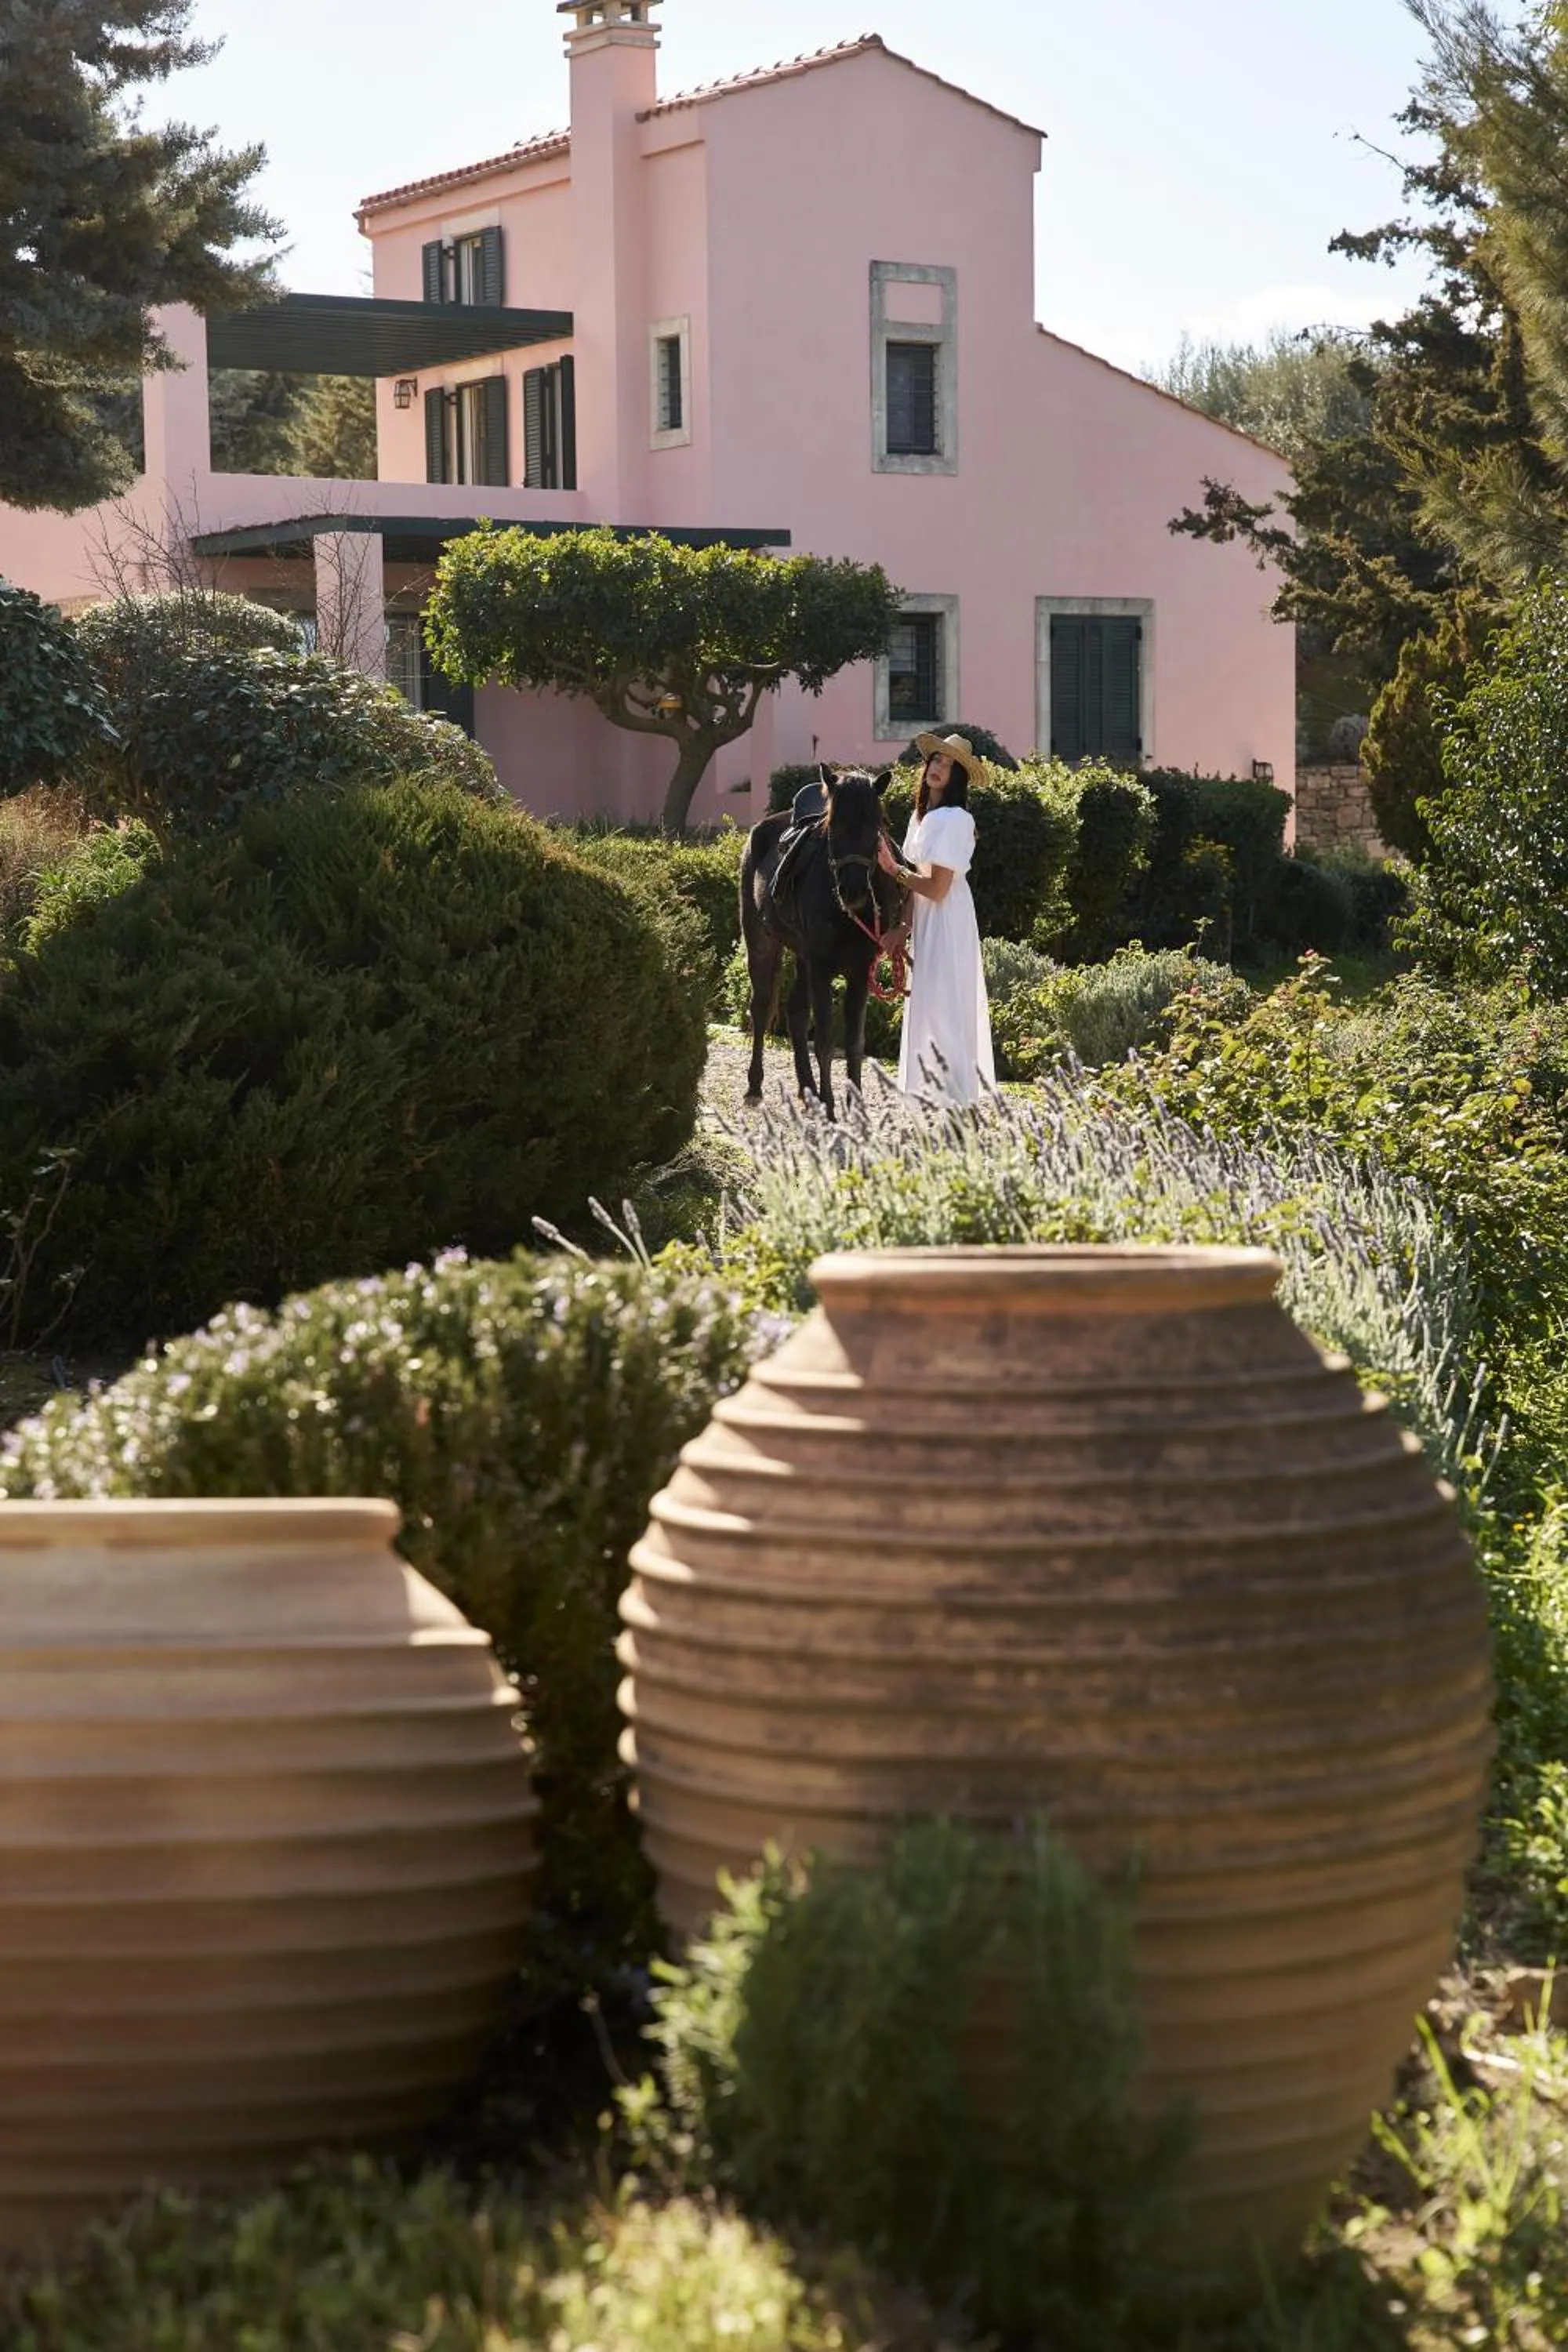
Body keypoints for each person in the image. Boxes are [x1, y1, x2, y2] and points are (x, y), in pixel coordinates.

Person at [877, 731, 995, 1105]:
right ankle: (932, 1093)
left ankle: (956, 1097)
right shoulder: (922, 816)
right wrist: (903, 926)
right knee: (929, 1003)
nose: (938, 767)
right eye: (936, 760)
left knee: (946, 1002)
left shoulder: (955, 818)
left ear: (958, 776)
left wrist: (893, 870)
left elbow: (938, 888)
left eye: (948, 764)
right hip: (928, 920)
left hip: (948, 919)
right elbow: (920, 882)